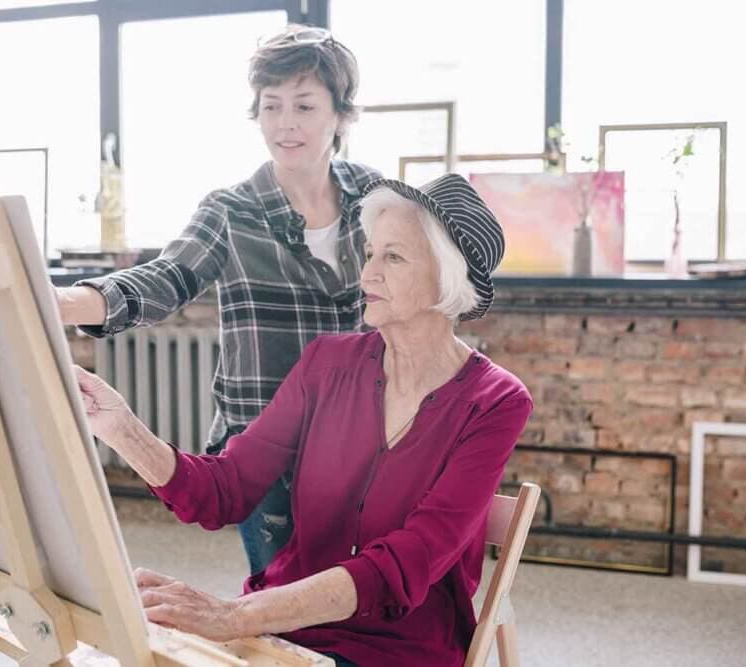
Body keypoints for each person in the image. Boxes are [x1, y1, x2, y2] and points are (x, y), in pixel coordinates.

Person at [75, 174, 533, 666]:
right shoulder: (326, 364)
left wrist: (233, 615)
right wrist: (120, 426)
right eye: (370, 253)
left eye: (393, 257)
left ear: (447, 278)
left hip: (393, 651)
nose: (367, 275)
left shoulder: (496, 401)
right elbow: (227, 488)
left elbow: (409, 560)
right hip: (282, 631)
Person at [55, 24, 381, 575]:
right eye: (271, 106)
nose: (285, 123)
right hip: (266, 450)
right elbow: (165, 280)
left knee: (359, 592)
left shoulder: (374, 196)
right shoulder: (231, 210)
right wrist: (63, 302)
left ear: (341, 115)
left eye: (304, 106)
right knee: (281, 601)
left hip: (361, 439)